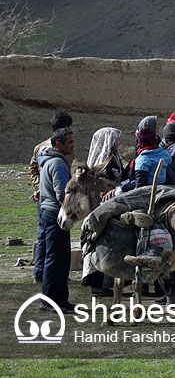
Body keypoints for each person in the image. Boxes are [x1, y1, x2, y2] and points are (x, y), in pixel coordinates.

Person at [29, 111, 73, 283]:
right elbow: (56, 176)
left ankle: (40, 273)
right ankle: (49, 276)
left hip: (45, 197)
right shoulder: (58, 147)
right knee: (54, 241)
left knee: (43, 236)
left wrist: (40, 189)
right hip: (54, 200)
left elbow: (33, 169)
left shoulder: (40, 147)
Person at [81, 127, 123, 297]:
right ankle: (97, 286)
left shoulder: (114, 159)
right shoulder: (102, 164)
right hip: (100, 207)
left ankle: (108, 284)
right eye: (115, 140)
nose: (118, 143)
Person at [37, 127, 75, 310]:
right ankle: (49, 301)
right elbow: (62, 193)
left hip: (51, 215)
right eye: (70, 142)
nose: (73, 145)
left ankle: (60, 300)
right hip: (55, 216)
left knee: (60, 258)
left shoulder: (51, 161)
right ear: (58, 144)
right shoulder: (58, 164)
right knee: (55, 259)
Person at [118, 116, 171, 193]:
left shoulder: (144, 156)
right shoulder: (160, 150)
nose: (158, 128)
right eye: (156, 126)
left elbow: (140, 180)